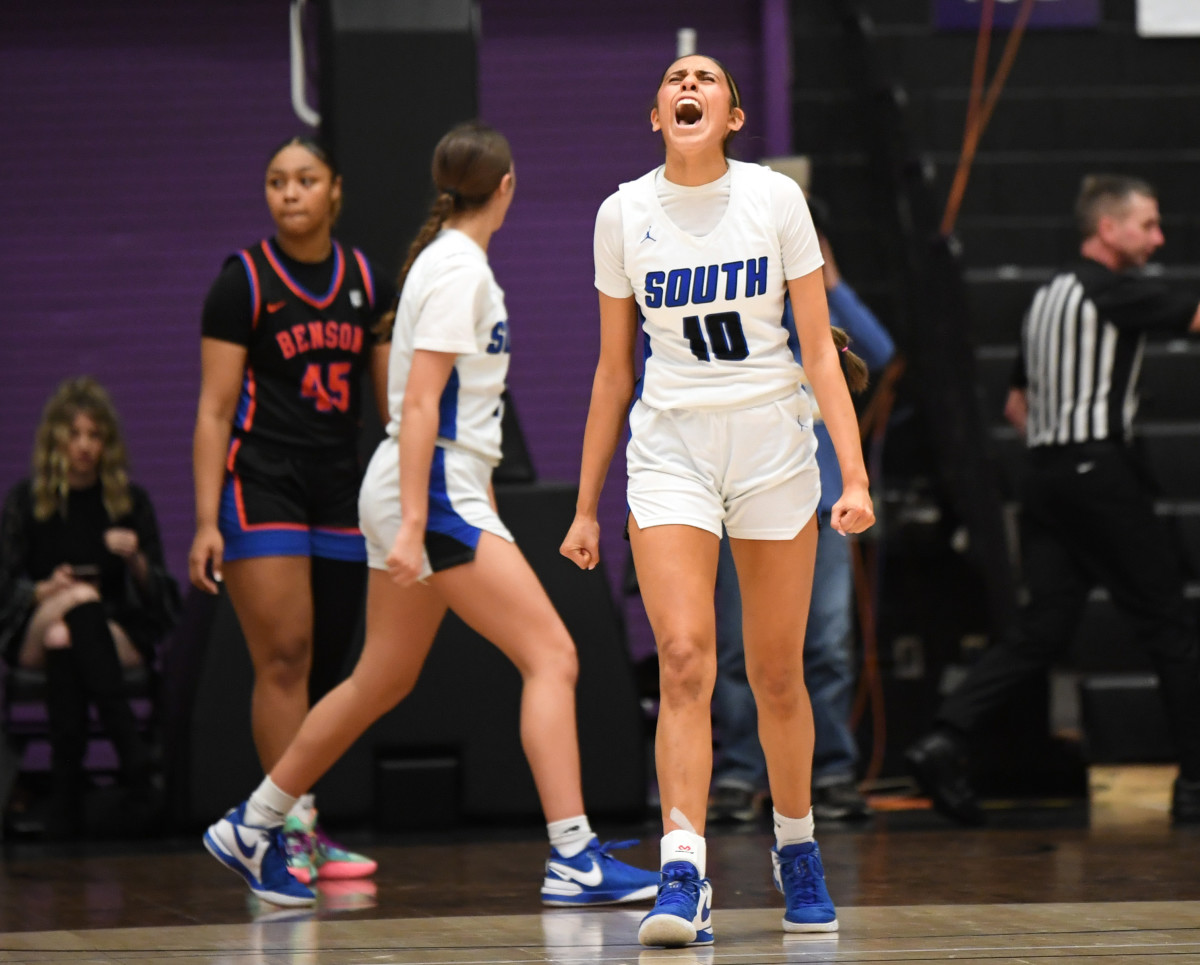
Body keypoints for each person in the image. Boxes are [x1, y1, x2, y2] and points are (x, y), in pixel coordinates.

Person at [201, 121, 660, 909]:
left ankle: (255, 821)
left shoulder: (444, 260)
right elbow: (416, 403)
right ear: (506, 186)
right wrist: (415, 520)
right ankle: (575, 855)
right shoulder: (457, 269)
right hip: (436, 484)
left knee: (381, 676)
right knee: (553, 655)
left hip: (418, 484)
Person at [560, 55, 875, 947]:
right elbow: (614, 370)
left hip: (774, 443)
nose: (687, 84)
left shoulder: (775, 200)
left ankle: (797, 846)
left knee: (777, 672)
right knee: (686, 657)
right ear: (655, 113)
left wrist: (852, 476)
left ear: (732, 114)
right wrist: (587, 506)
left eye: (706, 77)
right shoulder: (622, 214)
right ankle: (684, 869)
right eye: (673, 79)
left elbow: (820, 351)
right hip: (671, 452)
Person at [905, 174, 1200, 826]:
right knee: (1169, 625)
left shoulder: (1047, 297)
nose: (1157, 238)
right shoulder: (1114, 289)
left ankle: (945, 736)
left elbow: (1017, 404)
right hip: (1100, 471)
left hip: (1045, 474)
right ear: (1108, 228)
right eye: (1147, 224)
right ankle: (1195, 782)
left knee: (1043, 627)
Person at [189, 136, 395, 882]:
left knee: (329, 664)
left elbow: (391, 403)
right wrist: (208, 518)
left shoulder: (364, 277)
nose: (290, 193)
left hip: (339, 487)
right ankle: (280, 834)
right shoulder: (241, 281)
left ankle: (301, 819)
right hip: (262, 481)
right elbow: (214, 410)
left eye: (305, 179)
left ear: (334, 189)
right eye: (276, 180)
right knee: (283, 657)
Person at [709, 223, 894, 826]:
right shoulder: (743, 301)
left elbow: (878, 351)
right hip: (749, 498)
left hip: (820, 503)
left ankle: (832, 770)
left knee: (827, 642)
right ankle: (739, 772)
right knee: (739, 644)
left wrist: (828, 274)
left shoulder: (817, 307)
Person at [0, 377, 179, 836]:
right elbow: (5, 588)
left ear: (107, 443)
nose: (83, 446)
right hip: (33, 628)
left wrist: (135, 559)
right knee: (75, 603)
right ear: (56, 439)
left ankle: (67, 794)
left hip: (112, 632)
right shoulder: (27, 503)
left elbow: (162, 602)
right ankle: (135, 764)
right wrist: (44, 590)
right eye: (74, 434)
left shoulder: (127, 503)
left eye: (94, 436)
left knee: (70, 633)